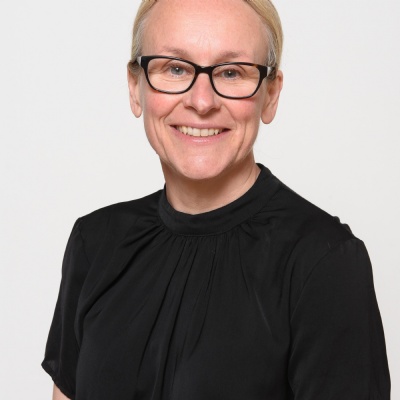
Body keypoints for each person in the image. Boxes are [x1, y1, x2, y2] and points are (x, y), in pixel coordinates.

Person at [42, 0, 390, 399]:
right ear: (135, 88)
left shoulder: (325, 262)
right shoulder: (95, 242)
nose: (202, 101)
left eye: (231, 72)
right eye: (175, 68)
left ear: (271, 94)